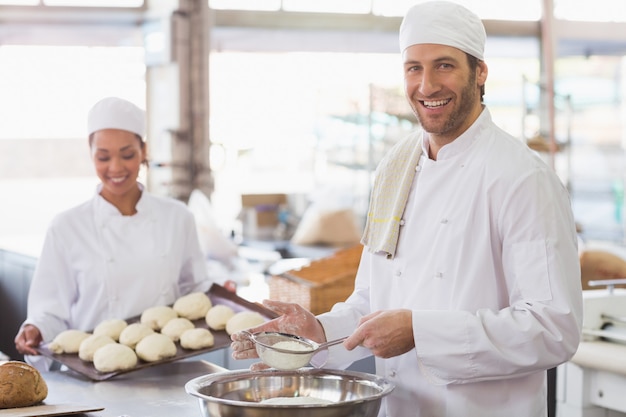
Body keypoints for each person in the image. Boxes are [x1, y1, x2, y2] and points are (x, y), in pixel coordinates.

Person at [230, 2, 583, 416]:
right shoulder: (395, 168)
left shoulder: (522, 178)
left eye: (444, 66)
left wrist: (421, 332)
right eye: (413, 68)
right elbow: (372, 298)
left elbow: (553, 328)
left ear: (480, 72)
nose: (427, 85)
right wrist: (319, 332)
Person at [14, 97, 214, 370]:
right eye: (103, 157)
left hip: (166, 367)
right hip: (90, 372)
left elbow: (196, 293)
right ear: (90, 153)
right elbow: (50, 310)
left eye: (128, 154)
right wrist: (36, 328)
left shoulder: (177, 217)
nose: (116, 168)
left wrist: (220, 295)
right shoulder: (67, 227)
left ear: (143, 150)